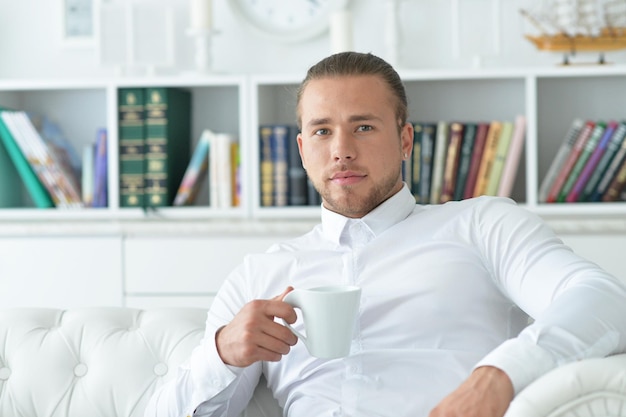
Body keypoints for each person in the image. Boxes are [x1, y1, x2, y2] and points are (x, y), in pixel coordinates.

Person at [145, 52, 626, 417]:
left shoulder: (482, 227)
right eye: (321, 132)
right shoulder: (261, 274)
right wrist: (222, 354)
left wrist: (500, 375)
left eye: (364, 127)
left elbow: (603, 299)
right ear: (301, 149)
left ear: (405, 140)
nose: (342, 151)